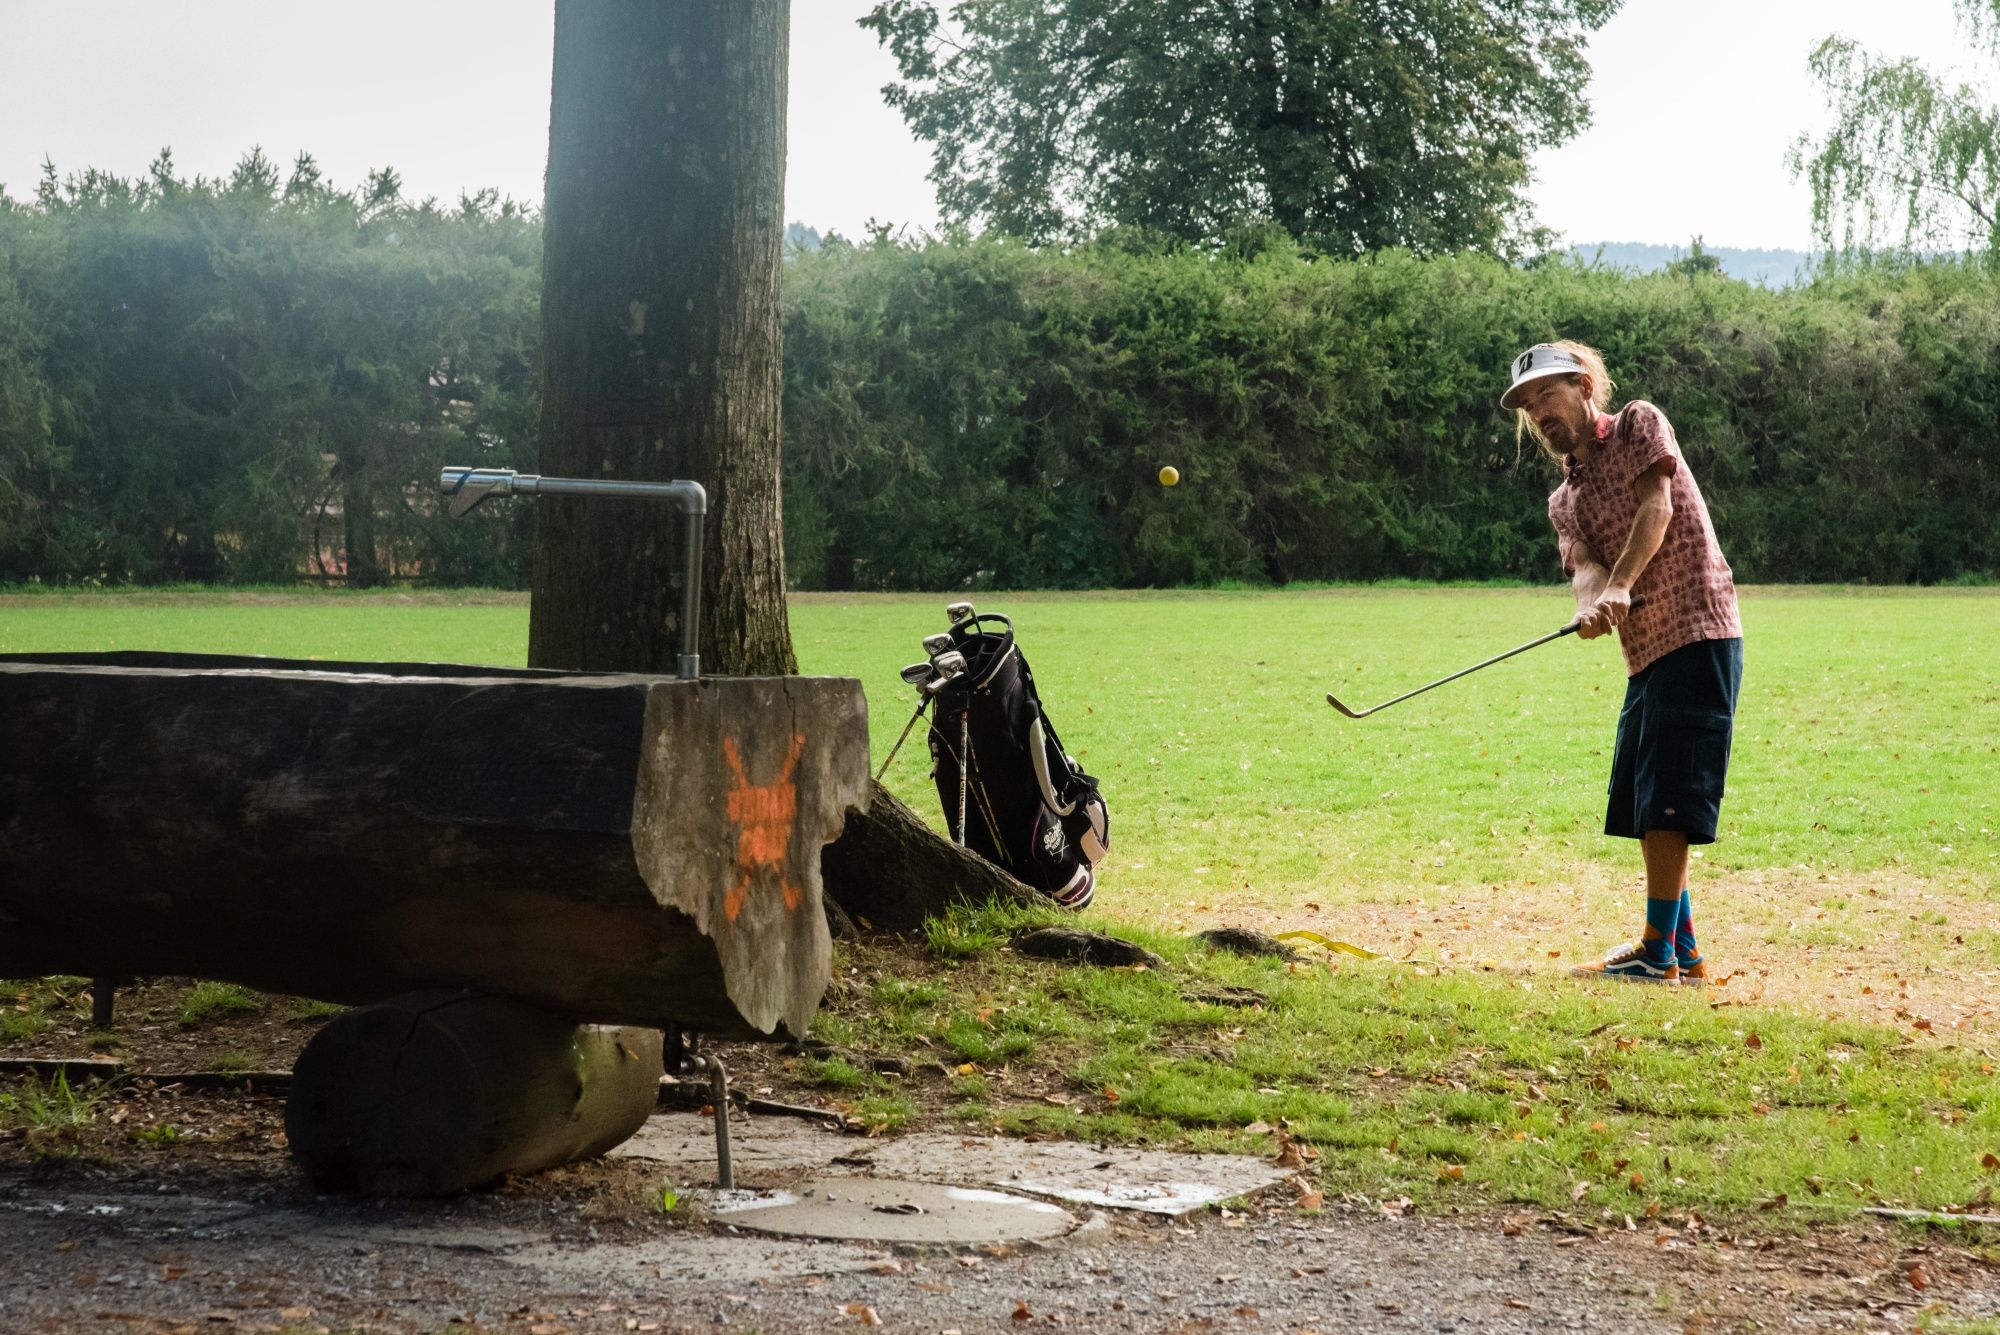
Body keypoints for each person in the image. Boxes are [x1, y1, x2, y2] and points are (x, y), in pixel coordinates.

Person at [1502, 341, 1743, 985]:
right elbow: (1584, 566)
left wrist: (1621, 587)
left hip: (1697, 628)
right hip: (1645, 656)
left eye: (1547, 395)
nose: (1540, 413)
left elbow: (1655, 507)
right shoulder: (1564, 500)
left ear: (1584, 386)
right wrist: (1591, 602)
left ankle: (1655, 951)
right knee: (1648, 801)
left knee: (1670, 800)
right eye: (1529, 406)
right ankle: (1682, 948)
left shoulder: (1639, 423)